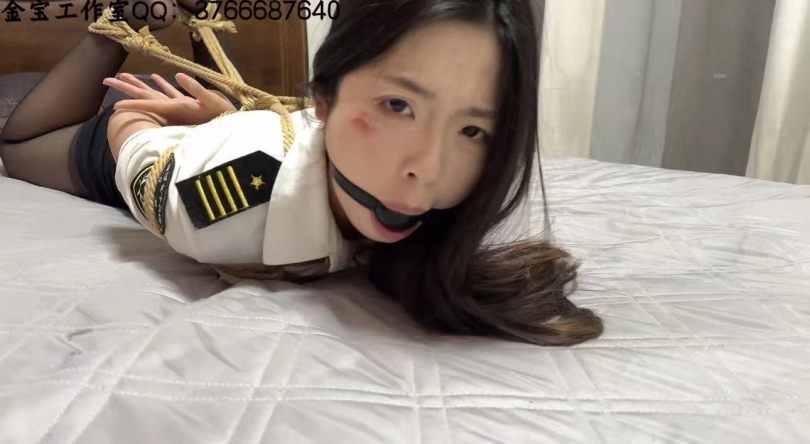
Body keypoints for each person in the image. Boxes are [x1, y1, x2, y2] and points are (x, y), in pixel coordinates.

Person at [0, 0, 604, 346]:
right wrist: (141, 121)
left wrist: (229, 117)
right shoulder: (219, 213)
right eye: (398, 106)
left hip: (234, 127)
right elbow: (145, 166)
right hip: (149, 145)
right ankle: (111, 26)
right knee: (16, 146)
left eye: (472, 130)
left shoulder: (437, 196)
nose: (428, 169)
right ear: (324, 97)